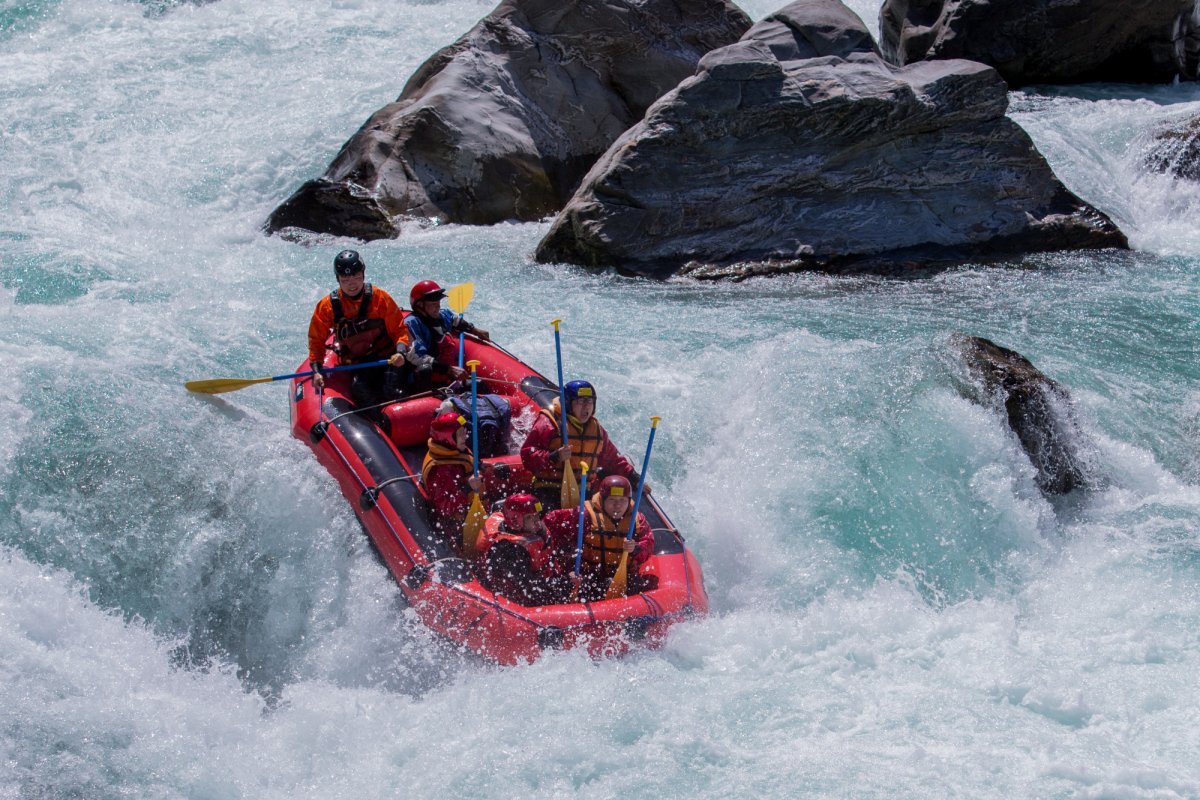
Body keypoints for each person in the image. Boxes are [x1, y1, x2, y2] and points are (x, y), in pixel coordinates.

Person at [307, 250, 412, 408]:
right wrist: (316, 369)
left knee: (393, 388)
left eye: (356, 277)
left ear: (363, 275)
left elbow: (399, 329)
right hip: (360, 362)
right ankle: (377, 420)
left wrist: (401, 352)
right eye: (345, 278)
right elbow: (316, 339)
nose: (352, 283)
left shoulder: (380, 298)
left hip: (389, 357)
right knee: (359, 388)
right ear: (338, 279)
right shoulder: (327, 307)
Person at [520, 379, 646, 509]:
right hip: (549, 490)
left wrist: (635, 477)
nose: (586, 406)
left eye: (589, 401)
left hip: (582, 492)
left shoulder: (597, 430)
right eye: (581, 401)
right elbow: (527, 455)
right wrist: (553, 457)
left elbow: (613, 459)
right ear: (568, 403)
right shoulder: (549, 423)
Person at [544, 475, 656, 601]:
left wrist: (636, 548)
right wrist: (566, 561)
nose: (617, 506)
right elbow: (551, 522)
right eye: (612, 500)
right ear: (602, 500)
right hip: (590, 575)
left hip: (622, 576)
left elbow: (649, 544)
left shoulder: (638, 520)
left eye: (622, 501)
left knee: (638, 585)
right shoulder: (584, 515)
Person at [476, 493, 574, 606]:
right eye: (529, 517)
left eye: (537, 515)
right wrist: (565, 583)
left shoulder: (534, 530)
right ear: (515, 520)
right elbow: (529, 588)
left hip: (542, 580)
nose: (537, 521)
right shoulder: (508, 549)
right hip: (515, 601)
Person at [404, 279, 490, 391]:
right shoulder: (411, 323)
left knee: (480, 385)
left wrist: (475, 330)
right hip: (424, 379)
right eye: (434, 304)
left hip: (446, 378)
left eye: (439, 303)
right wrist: (449, 369)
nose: (438, 307)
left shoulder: (442, 315)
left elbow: (456, 320)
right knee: (425, 369)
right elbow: (417, 356)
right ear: (420, 305)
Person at [420, 412, 487, 537]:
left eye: (464, 431)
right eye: (460, 434)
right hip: (459, 524)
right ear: (447, 438)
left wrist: (481, 467)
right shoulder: (439, 469)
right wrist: (467, 487)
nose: (465, 436)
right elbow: (444, 507)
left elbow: (466, 465)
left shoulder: (453, 451)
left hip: (474, 508)